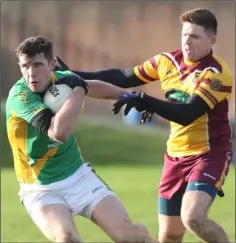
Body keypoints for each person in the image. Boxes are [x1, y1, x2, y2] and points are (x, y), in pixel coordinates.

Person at [67, 8, 233, 243]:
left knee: (193, 217)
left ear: (211, 40)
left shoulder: (216, 75)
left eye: (195, 36)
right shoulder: (167, 61)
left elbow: (187, 113)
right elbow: (124, 77)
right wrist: (71, 74)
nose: (187, 41)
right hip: (175, 156)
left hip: (209, 154)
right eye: (184, 34)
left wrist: (145, 101)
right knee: (170, 235)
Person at [5, 36, 157, 243]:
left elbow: (91, 86)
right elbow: (59, 133)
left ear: (51, 64)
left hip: (78, 176)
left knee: (129, 237)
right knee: (67, 239)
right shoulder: (20, 97)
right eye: (25, 66)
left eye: (37, 65)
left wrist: (130, 97)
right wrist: (78, 90)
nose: (31, 74)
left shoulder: (62, 79)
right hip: (40, 188)